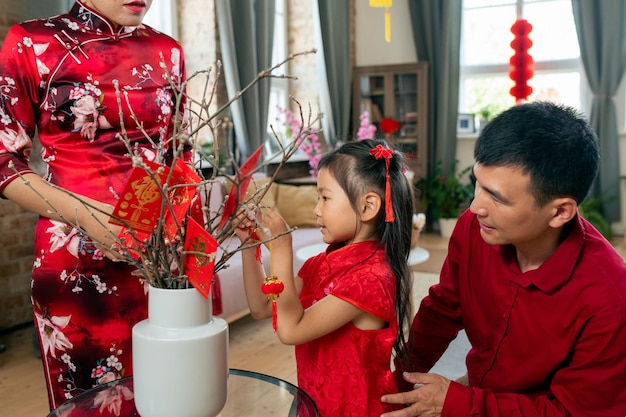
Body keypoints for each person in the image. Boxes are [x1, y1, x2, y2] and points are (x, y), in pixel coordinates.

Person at [381, 102, 626, 417]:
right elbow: (443, 310)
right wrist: (394, 382)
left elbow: (573, 413)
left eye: (496, 197)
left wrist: (457, 402)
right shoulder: (476, 229)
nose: (474, 207)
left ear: (560, 211)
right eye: (477, 184)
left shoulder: (610, 301)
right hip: (484, 395)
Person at [0, 0, 188, 409]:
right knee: (90, 405)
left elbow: (177, 156)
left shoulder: (167, 50)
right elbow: (3, 160)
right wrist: (92, 219)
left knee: (168, 399)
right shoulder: (32, 42)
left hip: (155, 258)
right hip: (76, 267)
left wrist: (142, 229)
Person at [235, 139, 414, 416]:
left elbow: (291, 330)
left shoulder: (372, 278)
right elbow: (260, 306)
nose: (317, 209)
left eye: (325, 198)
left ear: (368, 207)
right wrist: (250, 246)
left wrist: (282, 246)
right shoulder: (320, 264)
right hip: (318, 401)